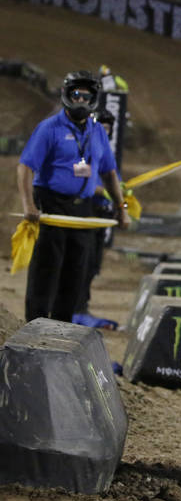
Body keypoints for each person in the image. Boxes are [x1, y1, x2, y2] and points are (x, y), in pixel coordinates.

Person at [17, 71, 128, 322]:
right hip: (51, 204)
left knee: (75, 272)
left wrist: (122, 208)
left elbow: (110, 174)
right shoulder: (49, 128)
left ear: (94, 99)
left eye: (86, 96)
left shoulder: (98, 131)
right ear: (66, 96)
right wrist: (29, 204)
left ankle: (62, 328)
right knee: (46, 270)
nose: (80, 101)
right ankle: (34, 325)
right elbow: (25, 167)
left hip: (83, 211)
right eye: (75, 95)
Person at [75, 108, 118, 319]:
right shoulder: (85, 147)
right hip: (87, 211)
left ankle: (83, 303)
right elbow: (78, 174)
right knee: (83, 260)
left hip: (103, 214)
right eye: (102, 126)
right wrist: (102, 189)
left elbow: (113, 179)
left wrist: (121, 203)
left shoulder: (106, 151)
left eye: (109, 127)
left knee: (93, 264)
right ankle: (75, 305)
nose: (105, 130)